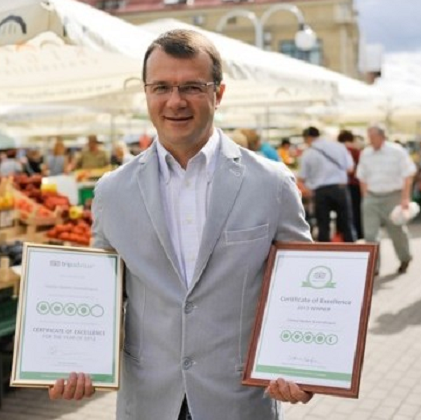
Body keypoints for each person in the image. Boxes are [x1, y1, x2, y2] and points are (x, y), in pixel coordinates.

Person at [49, 29, 313, 419]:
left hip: (238, 400)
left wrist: (304, 370)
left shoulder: (271, 183)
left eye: (191, 86)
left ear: (218, 95)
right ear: (146, 94)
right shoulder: (112, 191)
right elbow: (98, 296)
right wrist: (68, 362)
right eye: (161, 87)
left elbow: (303, 289)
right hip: (149, 402)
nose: (175, 101)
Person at [356, 125, 417, 274]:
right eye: (369, 136)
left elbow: (408, 174)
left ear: (381, 136)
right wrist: (365, 195)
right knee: (370, 235)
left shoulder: (396, 151)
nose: (370, 139)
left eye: (372, 136)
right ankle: (373, 267)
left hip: (393, 196)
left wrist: (405, 198)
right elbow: (361, 176)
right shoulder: (366, 153)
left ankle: (405, 258)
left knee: (397, 231)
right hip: (371, 196)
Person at [298, 126, 356, 242]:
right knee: (347, 224)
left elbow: (302, 178)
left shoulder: (308, 153)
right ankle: (352, 252)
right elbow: (350, 168)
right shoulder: (339, 147)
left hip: (320, 192)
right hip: (340, 188)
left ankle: (325, 255)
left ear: (307, 138)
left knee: (323, 225)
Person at [337, 130, 363, 239]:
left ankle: (343, 234)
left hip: (341, 185)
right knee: (356, 210)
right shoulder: (356, 150)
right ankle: (358, 233)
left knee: (343, 211)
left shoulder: (337, 150)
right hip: (355, 184)